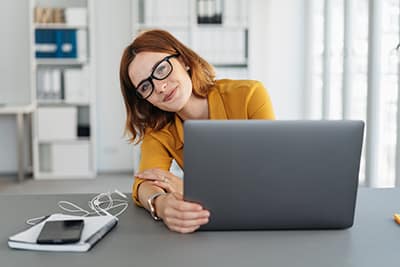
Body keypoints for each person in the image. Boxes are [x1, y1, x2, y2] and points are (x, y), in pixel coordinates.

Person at [119, 29, 275, 233]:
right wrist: (161, 204)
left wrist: (186, 188)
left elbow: (269, 175)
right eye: (145, 87)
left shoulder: (249, 95)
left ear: (183, 60)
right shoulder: (159, 131)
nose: (160, 88)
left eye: (161, 69)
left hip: (261, 221)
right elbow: (143, 184)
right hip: (213, 226)